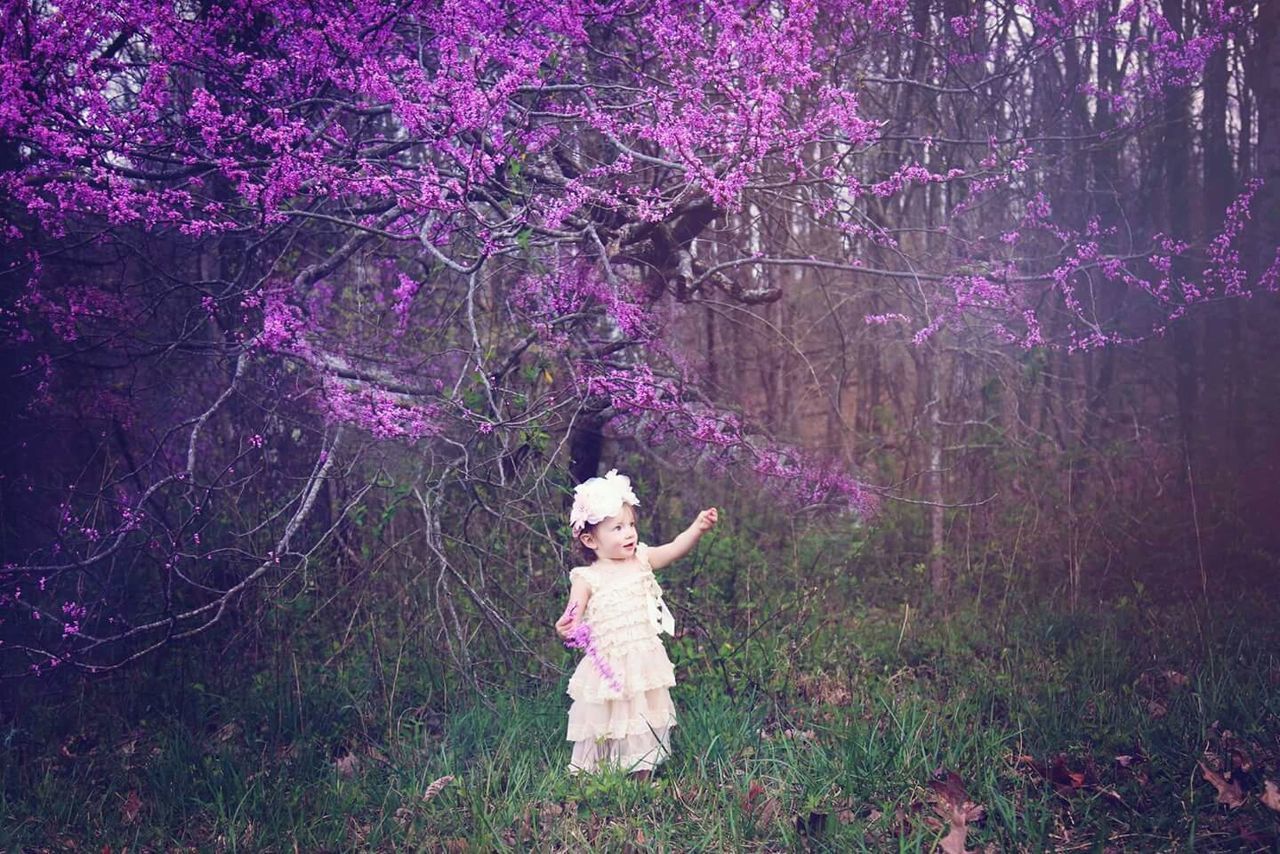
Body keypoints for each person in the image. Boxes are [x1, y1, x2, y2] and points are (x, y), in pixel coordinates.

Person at [554, 469, 718, 778]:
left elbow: (673, 549)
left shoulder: (641, 559)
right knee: (606, 721)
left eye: (631, 525)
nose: (629, 533)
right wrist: (566, 626)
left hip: (642, 662)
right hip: (609, 665)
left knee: (641, 719)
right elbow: (572, 615)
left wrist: (697, 528)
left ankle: (640, 777)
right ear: (590, 539)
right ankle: (599, 778)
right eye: (616, 528)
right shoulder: (587, 577)